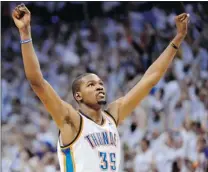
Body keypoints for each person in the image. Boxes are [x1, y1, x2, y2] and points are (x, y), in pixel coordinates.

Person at [12, 3, 189, 172]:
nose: (99, 87)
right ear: (78, 96)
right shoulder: (71, 121)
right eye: (91, 85)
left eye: (100, 84)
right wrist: (25, 33)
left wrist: (178, 38)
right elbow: (37, 83)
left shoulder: (112, 116)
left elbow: (150, 79)